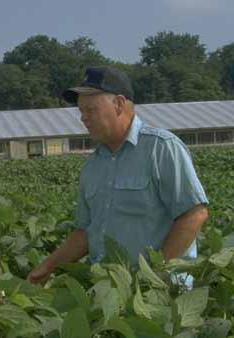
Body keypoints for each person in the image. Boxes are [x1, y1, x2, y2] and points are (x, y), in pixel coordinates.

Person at [28, 66, 209, 284]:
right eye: (81, 111)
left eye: (90, 110)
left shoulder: (160, 148)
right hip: (109, 292)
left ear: (119, 104)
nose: (83, 119)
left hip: (160, 295)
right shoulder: (92, 166)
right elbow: (85, 232)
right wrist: (47, 266)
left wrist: (153, 276)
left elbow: (193, 215)